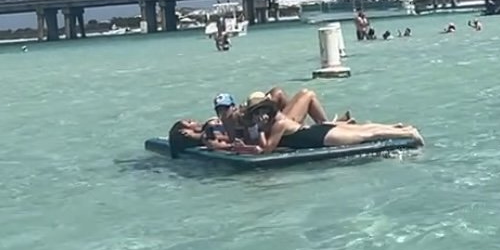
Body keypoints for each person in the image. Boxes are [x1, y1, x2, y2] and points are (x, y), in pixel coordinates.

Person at [246, 104, 424, 153]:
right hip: (319, 131)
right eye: (256, 115)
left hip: (321, 137)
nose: (260, 117)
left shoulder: (278, 124)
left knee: (367, 135)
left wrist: (259, 130)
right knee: (364, 129)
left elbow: (267, 150)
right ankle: (400, 129)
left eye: (262, 113)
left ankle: (408, 133)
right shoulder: (276, 124)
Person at [167, 119, 262, 158]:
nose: (195, 121)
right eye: (189, 122)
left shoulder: (206, 131)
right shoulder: (206, 136)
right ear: (185, 133)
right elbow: (217, 145)